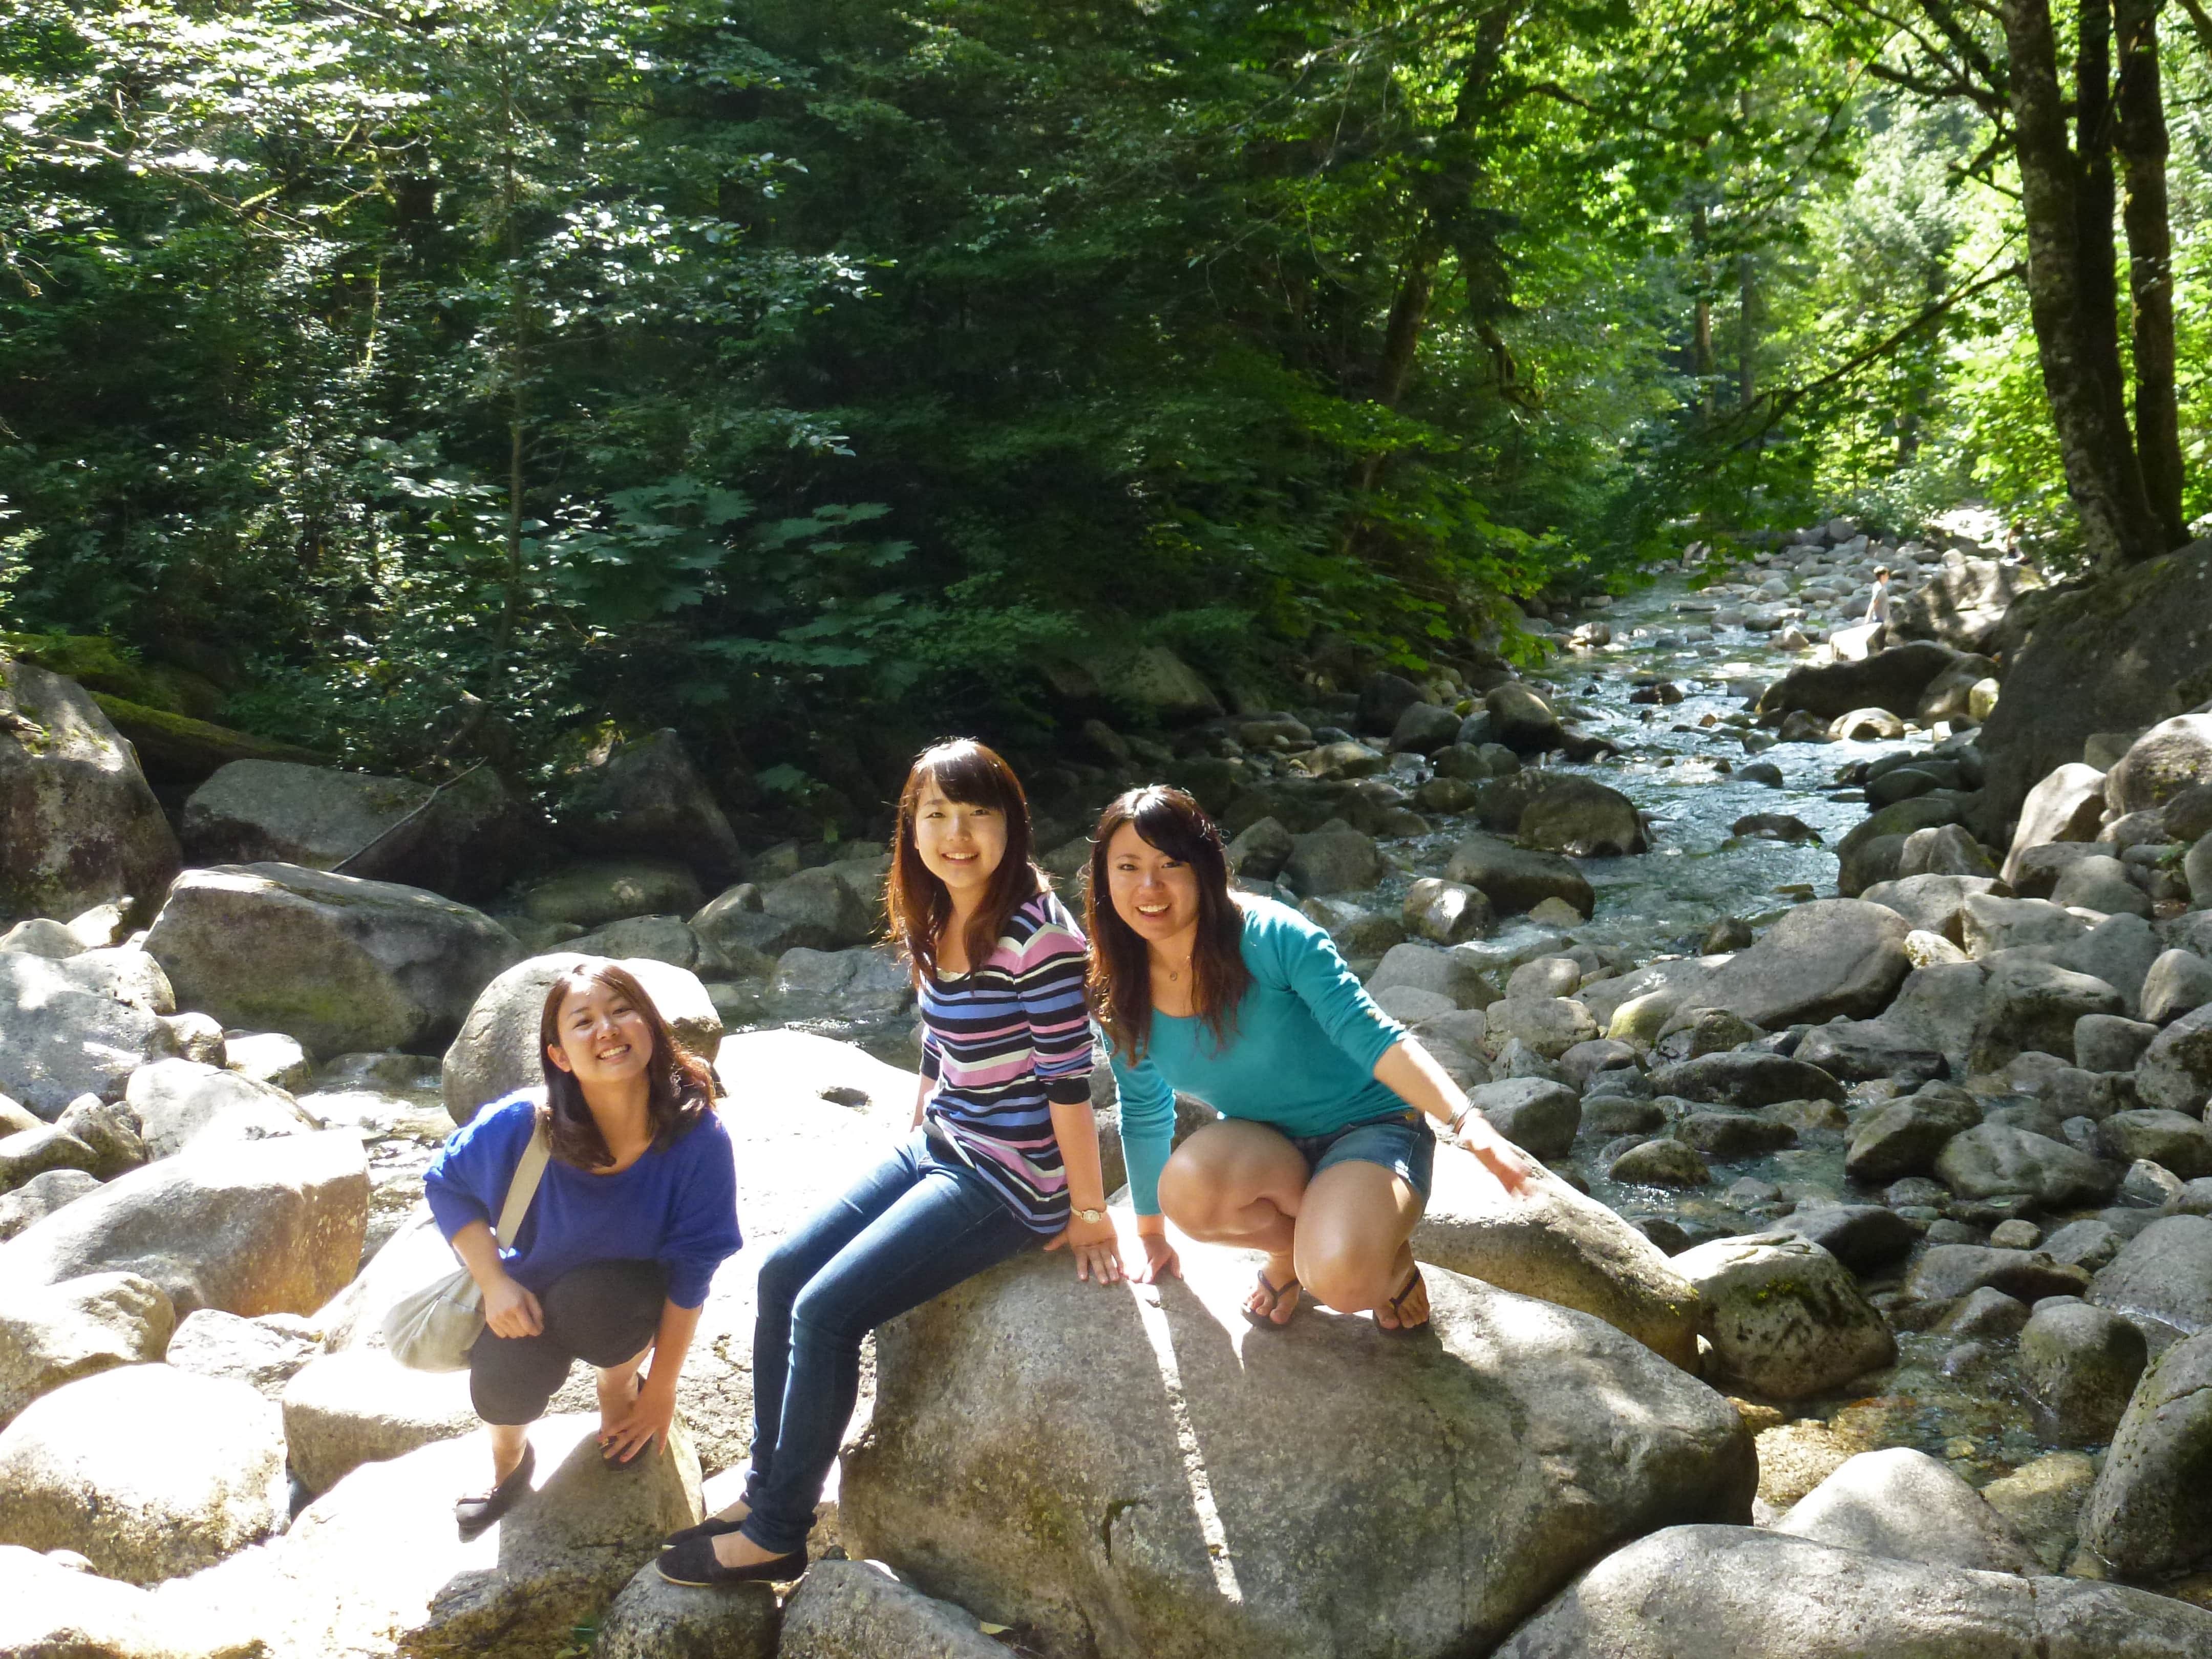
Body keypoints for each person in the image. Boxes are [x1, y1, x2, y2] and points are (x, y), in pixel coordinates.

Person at [656, 738, 1124, 1587]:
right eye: (935, 814)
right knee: (779, 1277)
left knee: (829, 1312)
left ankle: (777, 1530)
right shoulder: (935, 908)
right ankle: (768, 1485)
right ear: (911, 827)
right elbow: (944, 1041)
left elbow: (1068, 1085)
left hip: (1008, 1178)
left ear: (1009, 824)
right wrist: (916, 1130)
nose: (956, 833)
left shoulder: (1040, 935)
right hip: (942, 1144)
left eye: (976, 813)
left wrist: (1087, 1211)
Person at [1087, 785, 1537, 1330]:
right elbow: (1142, 1108)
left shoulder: (1272, 936)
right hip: (1266, 1146)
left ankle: (1373, 1260)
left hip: (1372, 1128)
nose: (1149, 887)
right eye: (1128, 867)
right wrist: (1152, 1234)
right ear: (1104, 880)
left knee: (1344, 1282)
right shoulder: (1118, 984)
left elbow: (1371, 1034)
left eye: (1170, 864)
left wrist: (1468, 1123)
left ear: (1204, 869)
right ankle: (1294, 1254)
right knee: (1185, 1193)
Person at [425, 962, 740, 1536]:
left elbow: (694, 1270)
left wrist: (660, 1392)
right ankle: (509, 1467)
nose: (608, 1030)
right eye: (584, 1021)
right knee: (502, 1381)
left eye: (622, 1011)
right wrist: (495, 1283)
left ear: (651, 1026)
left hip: (618, 1301)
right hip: (530, 1292)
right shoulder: (521, 1123)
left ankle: (619, 1386)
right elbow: (445, 1183)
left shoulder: (697, 1138)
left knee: (604, 1298)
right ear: (560, 1056)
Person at [1865, 565, 1892, 649]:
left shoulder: (1877, 585)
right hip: (1881, 619)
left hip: (1882, 618)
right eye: (1887, 575)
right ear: (1882, 576)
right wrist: (1867, 618)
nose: (1888, 577)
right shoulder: (1880, 589)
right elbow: (1873, 603)